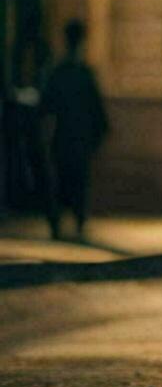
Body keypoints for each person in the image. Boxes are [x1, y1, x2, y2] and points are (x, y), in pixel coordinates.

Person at [41, 20, 108, 239]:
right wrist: (98, 136)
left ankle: (58, 223)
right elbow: (97, 110)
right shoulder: (83, 73)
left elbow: (46, 106)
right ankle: (76, 222)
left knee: (63, 181)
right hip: (79, 138)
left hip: (64, 137)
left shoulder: (58, 72)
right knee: (77, 182)